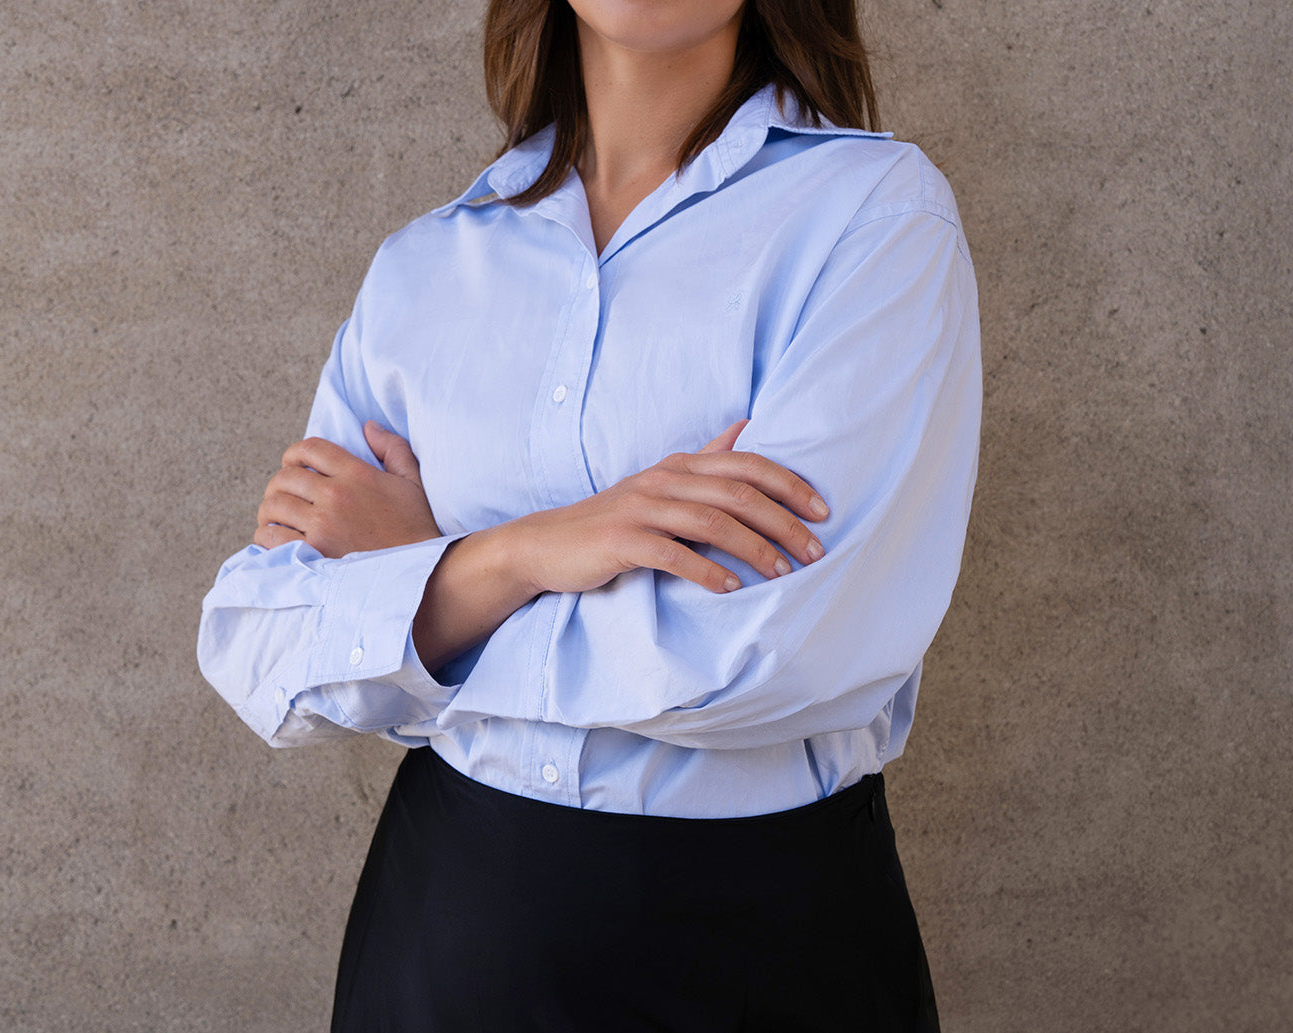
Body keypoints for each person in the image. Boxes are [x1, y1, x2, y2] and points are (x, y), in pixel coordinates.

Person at [197, 0, 980, 1029]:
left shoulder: (871, 218)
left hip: (760, 945)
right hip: (448, 931)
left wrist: (426, 586)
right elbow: (263, 649)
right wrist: (521, 554)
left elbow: (766, 655)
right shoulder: (426, 267)